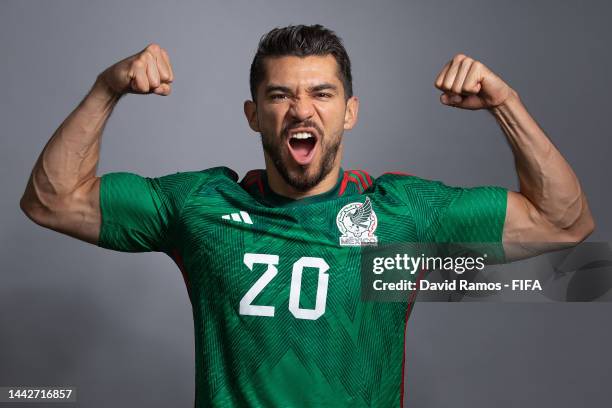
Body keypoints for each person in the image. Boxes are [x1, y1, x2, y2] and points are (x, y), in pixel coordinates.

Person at [19, 24, 594, 407]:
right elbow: (51, 200)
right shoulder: (201, 207)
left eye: (321, 94)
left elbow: (562, 222)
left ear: (349, 112)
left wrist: (506, 105)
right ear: (253, 114)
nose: (301, 109)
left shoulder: (400, 215)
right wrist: (106, 88)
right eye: (279, 96)